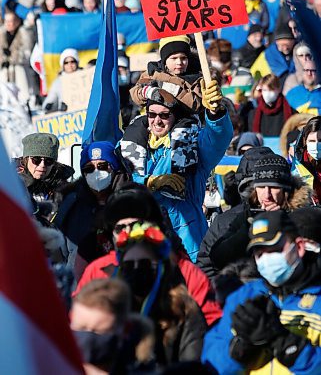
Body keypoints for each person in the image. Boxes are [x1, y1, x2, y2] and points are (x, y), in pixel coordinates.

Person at [75, 183, 222, 328]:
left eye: (135, 226)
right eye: (120, 228)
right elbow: (76, 321)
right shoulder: (98, 270)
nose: (128, 234)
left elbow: (213, 324)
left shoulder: (183, 270)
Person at [119, 84, 233, 263]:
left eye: (164, 115)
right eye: (152, 114)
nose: (157, 121)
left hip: (188, 242)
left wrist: (215, 114)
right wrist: (149, 182)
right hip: (144, 240)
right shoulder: (129, 146)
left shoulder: (191, 146)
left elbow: (217, 140)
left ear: (175, 117)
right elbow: (119, 180)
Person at [202, 210, 321, 374]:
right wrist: (239, 348)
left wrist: (284, 343)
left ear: (299, 247)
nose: (266, 259)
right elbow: (210, 362)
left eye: (273, 250)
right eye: (259, 253)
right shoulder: (245, 296)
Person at [197, 151, 311, 282]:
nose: (267, 195)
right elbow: (216, 259)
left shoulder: (305, 217)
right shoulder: (242, 217)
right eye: (261, 187)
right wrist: (250, 225)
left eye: (273, 187)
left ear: (286, 190)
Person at [115, 221, 207, 366]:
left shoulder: (185, 311)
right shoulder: (113, 311)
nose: (136, 269)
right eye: (128, 265)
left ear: (160, 268)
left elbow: (192, 364)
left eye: (144, 263)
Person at [55, 141, 131, 275]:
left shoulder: (134, 200)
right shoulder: (71, 206)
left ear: (114, 167)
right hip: (82, 288)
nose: (96, 172)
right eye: (89, 168)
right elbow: (60, 252)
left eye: (102, 166)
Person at [130, 35, 202, 113]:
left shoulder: (197, 78)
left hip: (183, 121)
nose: (179, 62)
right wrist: (148, 92)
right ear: (165, 60)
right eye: (174, 58)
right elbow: (135, 94)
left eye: (183, 58)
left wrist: (174, 90)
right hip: (153, 117)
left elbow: (197, 105)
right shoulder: (153, 73)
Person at [16, 132, 74, 207]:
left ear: (54, 164)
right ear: (26, 160)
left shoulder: (63, 188)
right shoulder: (9, 183)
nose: (42, 165)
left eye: (48, 161)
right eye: (36, 160)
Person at [0, 11, 35, 102]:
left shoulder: (24, 32)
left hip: (20, 67)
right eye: (7, 21)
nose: (9, 24)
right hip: (5, 69)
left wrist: (12, 57)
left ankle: (26, 102)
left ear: (16, 22)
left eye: (11, 21)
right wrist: (3, 57)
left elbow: (27, 51)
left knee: (20, 73)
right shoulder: (1, 34)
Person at [251, 23, 296, 88]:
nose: (285, 48)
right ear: (277, 42)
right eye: (282, 45)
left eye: (287, 45)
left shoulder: (299, 51)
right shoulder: (269, 54)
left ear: (293, 42)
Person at [42, 48, 81, 113]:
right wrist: (48, 106)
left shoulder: (85, 77)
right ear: (63, 65)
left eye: (72, 61)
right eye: (66, 62)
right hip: (67, 115)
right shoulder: (58, 82)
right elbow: (51, 98)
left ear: (77, 62)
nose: (69, 65)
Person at [292, 116, 321, 204]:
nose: (316, 145)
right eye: (312, 141)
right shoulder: (297, 163)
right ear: (305, 141)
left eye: (320, 140)